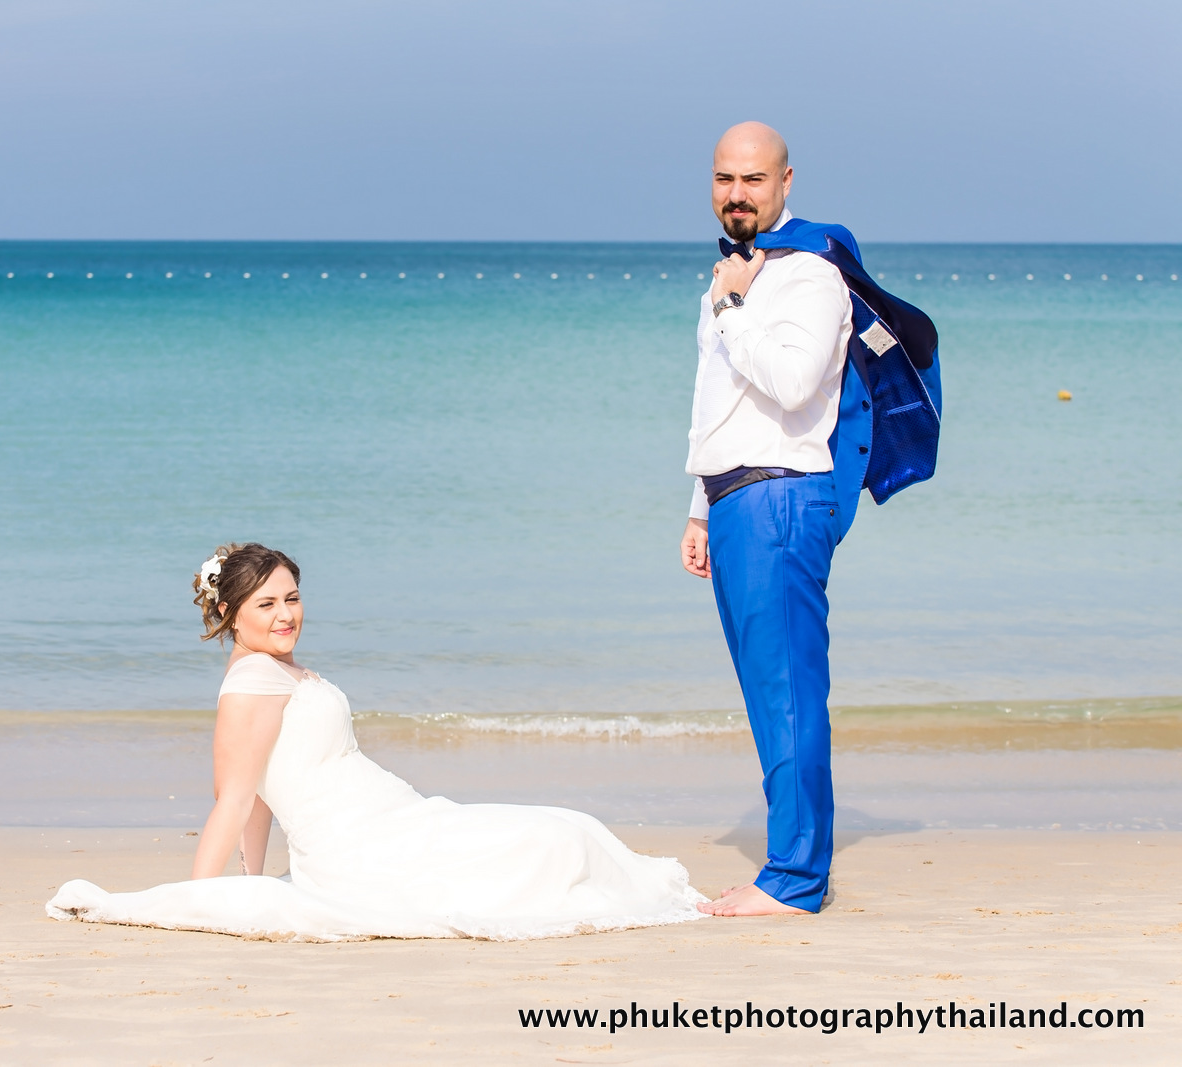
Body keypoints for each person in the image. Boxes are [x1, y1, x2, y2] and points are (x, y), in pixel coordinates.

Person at [47, 542, 706, 940]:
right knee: (557, 841)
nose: (286, 615)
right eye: (266, 605)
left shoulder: (273, 672)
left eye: (292, 598)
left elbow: (262, 795)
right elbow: (236, 796)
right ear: (229, 614)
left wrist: (253, 878)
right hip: (361, 847)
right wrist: (203, 895)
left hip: (397, 822)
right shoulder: (251, 681)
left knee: (565, 830)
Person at [681, 122, 853, 918]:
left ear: (786, 181)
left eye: (753, 179)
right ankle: (790, 863)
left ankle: (794, 878)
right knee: (766, 691)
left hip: (781, 497)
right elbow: (716, 398)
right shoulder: (733, 275)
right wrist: (699, 505)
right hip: (735, 498)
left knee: (787, 691)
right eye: (725, 178)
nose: (737, 193)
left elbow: (790, 383)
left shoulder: (811, 275)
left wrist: (733, 304)